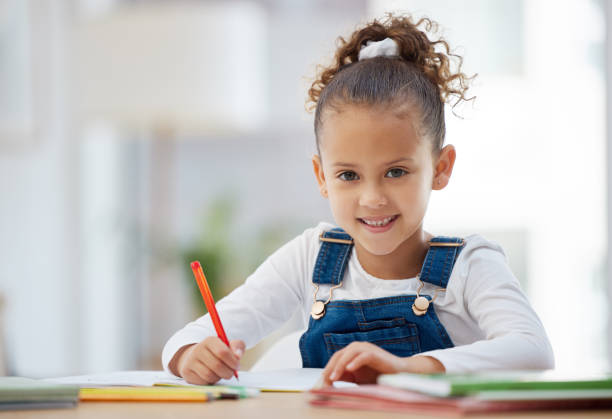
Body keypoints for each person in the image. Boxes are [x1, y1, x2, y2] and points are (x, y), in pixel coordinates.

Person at [162, 14, 554, 386]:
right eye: (348, 176)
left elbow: (533, 350)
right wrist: (191, 357)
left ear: (440, 167)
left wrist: (408, 368)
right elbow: (184, 341)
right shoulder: (308, 257)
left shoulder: (471, 266)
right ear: (322, 177)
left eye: (396, 172)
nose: (372, 198)